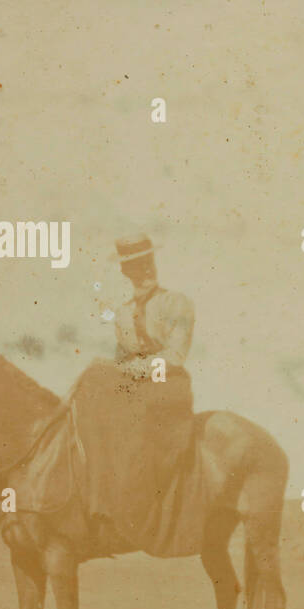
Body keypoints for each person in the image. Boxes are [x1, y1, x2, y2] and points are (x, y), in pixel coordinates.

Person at [71, 234, 198, 551]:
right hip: (136, 385)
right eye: (136, 267)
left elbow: (175, 356)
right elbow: (121, 359)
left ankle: (138, 510)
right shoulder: (123, 313)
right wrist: (112, 372)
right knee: (92, 382)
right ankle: (99, 501)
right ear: (126, 272)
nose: (145, 272)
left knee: (132, 412)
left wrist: (133, 372)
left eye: (148, 264)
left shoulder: (176, 303)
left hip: (169, 384)